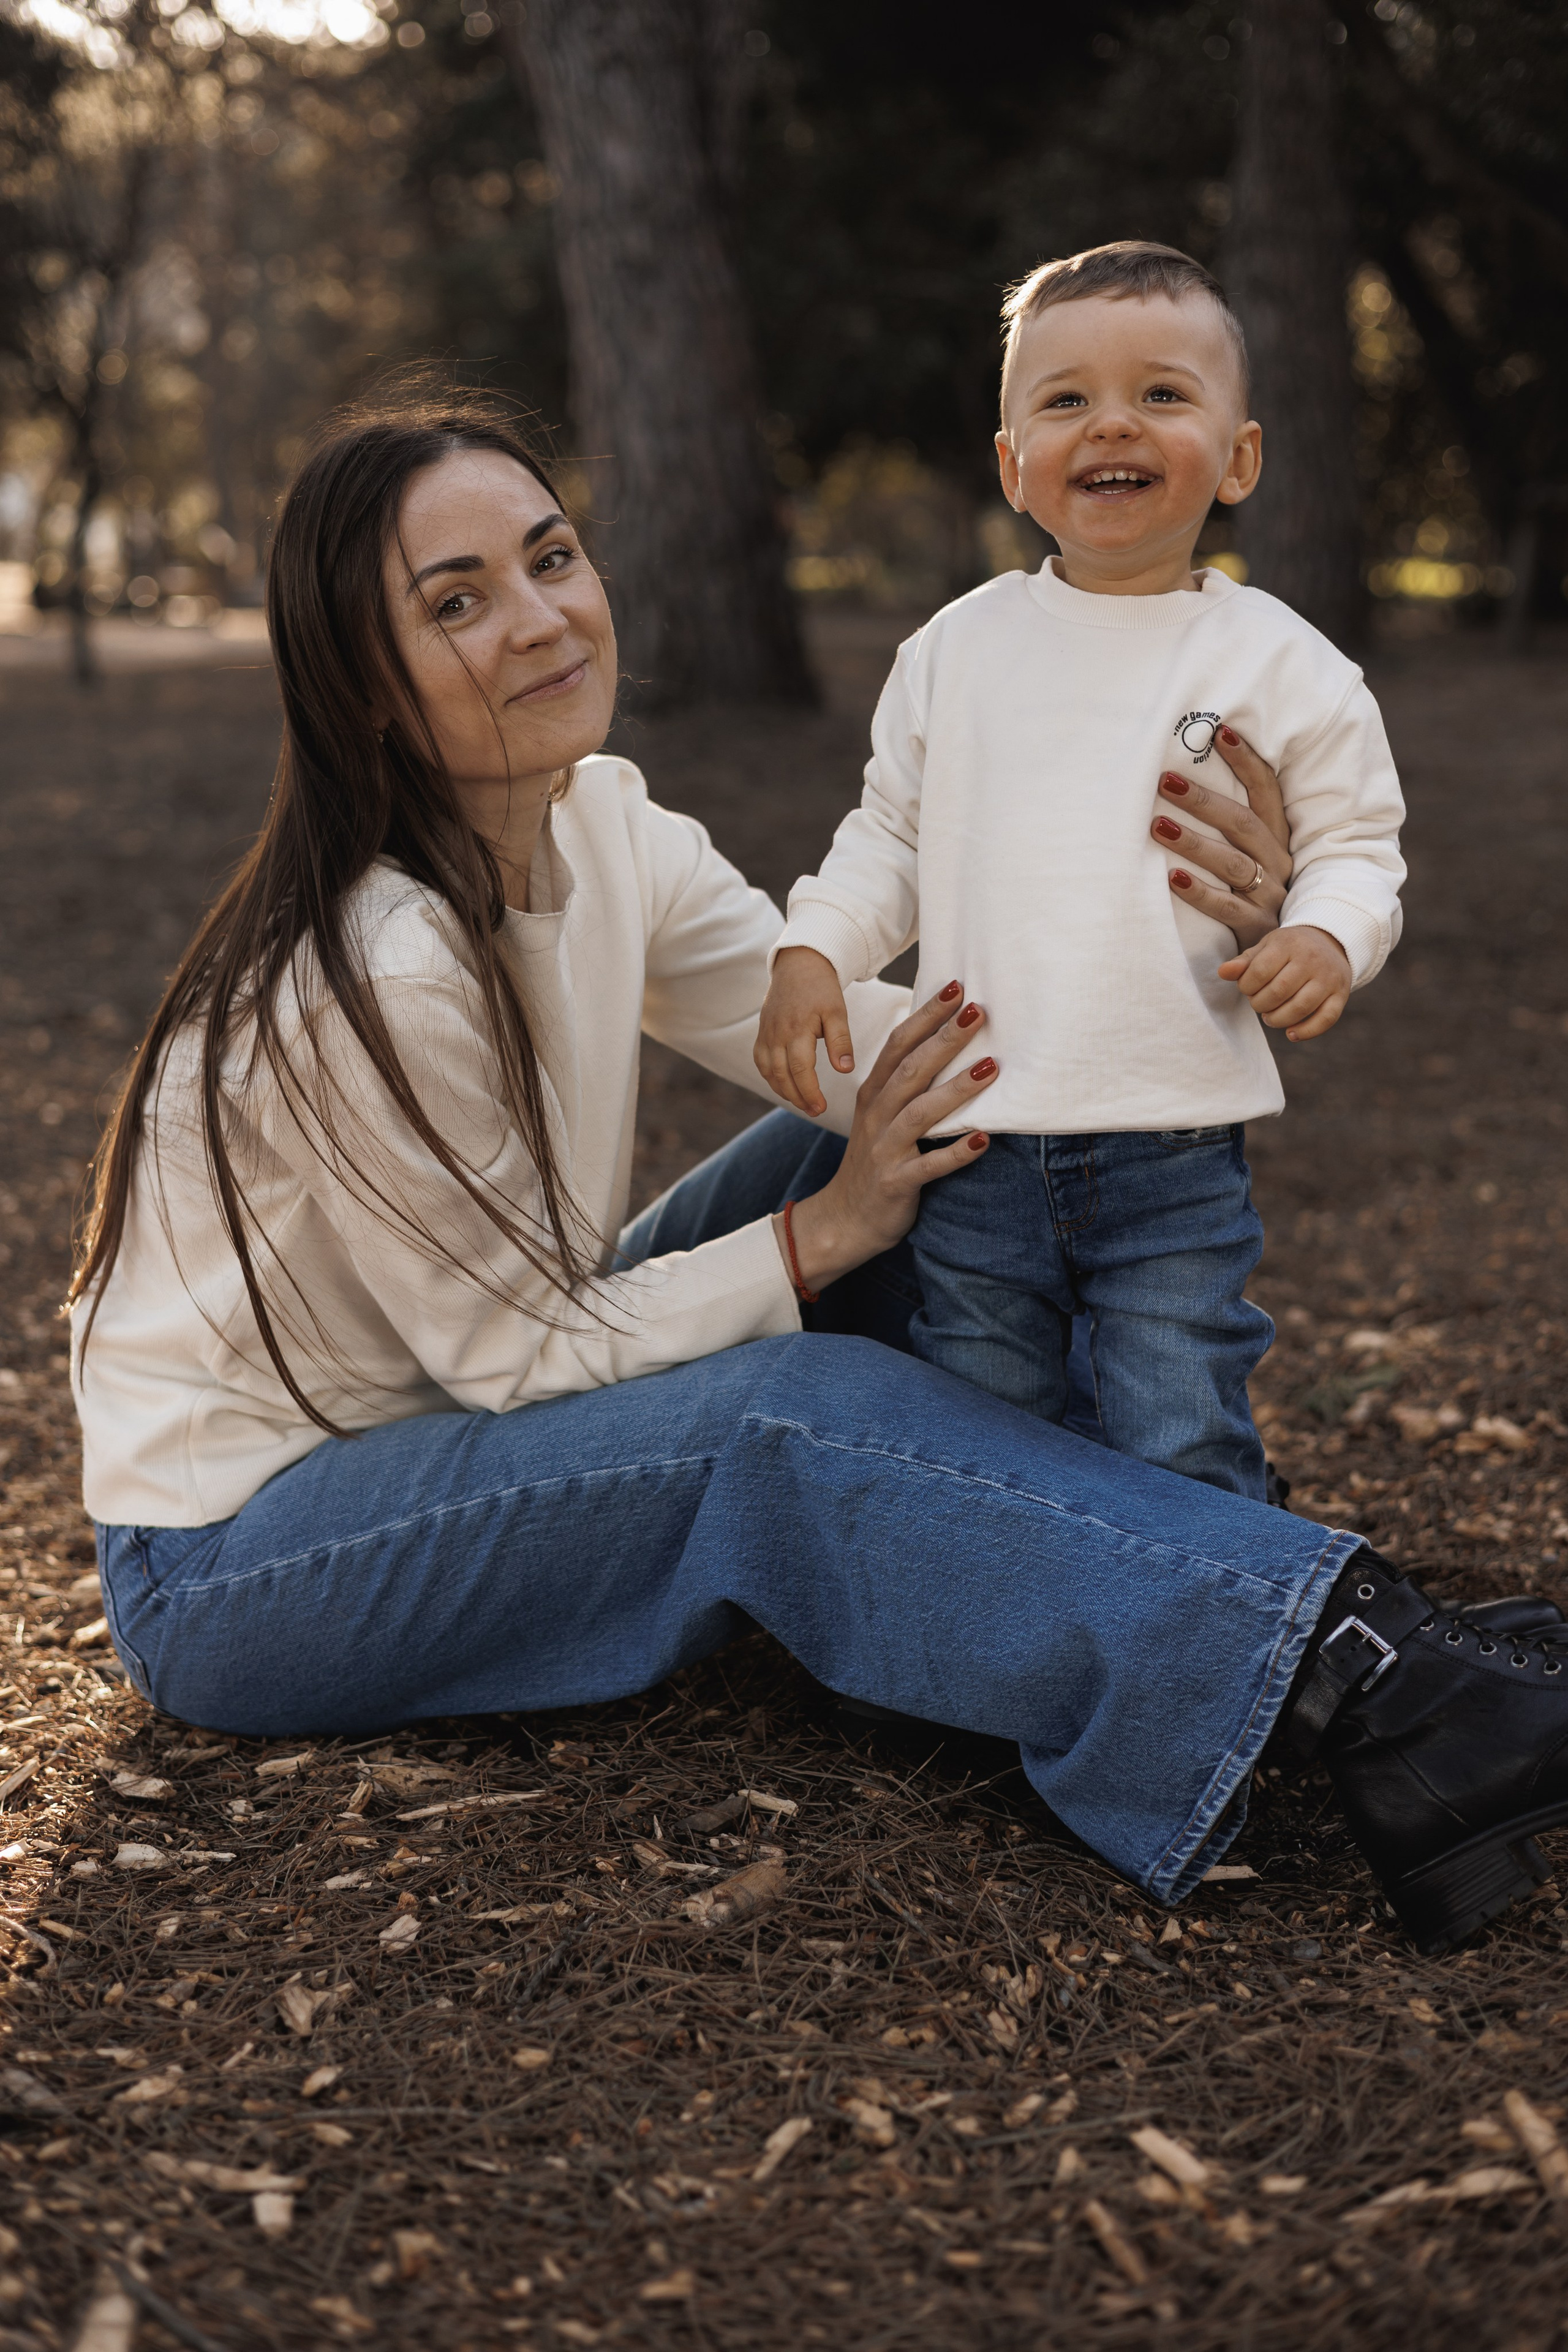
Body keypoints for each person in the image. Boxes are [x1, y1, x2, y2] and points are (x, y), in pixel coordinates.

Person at [68, 384, 1567, 1960]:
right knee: (779, 1411)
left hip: (469, 1392)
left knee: (940, 1109)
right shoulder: (377, 965)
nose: (539, 618)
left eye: (550, 557)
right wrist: (816, 1238)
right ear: (362, 685)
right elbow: (513, 1358)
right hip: (249, 1560)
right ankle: (1352, 1663)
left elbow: (867, 1040)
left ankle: (1188, 1569)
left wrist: (1193, 934)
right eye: (457, 603)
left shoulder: (604, 825)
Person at [756, 241, 1406, 1502]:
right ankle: (994, 1667)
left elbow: (1352, 844)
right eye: (1063, 400)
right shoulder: (958, 647)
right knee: (985, 1423)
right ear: (1012, 465)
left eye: (1161, 394)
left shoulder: (1281, 665)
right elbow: (886, 830)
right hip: (974, 1133)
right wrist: (814, 948)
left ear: (1238, 458)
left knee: (1179, 1421)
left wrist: (1325, 936)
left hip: (1170, 1136)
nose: (1111, 421)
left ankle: (1210, 1653)